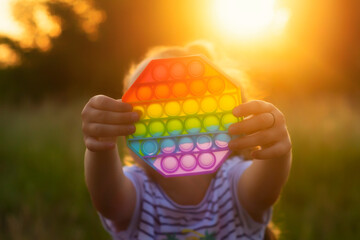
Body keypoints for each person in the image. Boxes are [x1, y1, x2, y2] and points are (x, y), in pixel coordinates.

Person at [81, 41, 292, 240]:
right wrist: (101, 145)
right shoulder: (139, 191)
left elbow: (265, 189)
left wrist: (276, 149)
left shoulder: (232, 184)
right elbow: (108, 200)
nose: (170, 119)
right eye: (148, 107)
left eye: (190, 105)